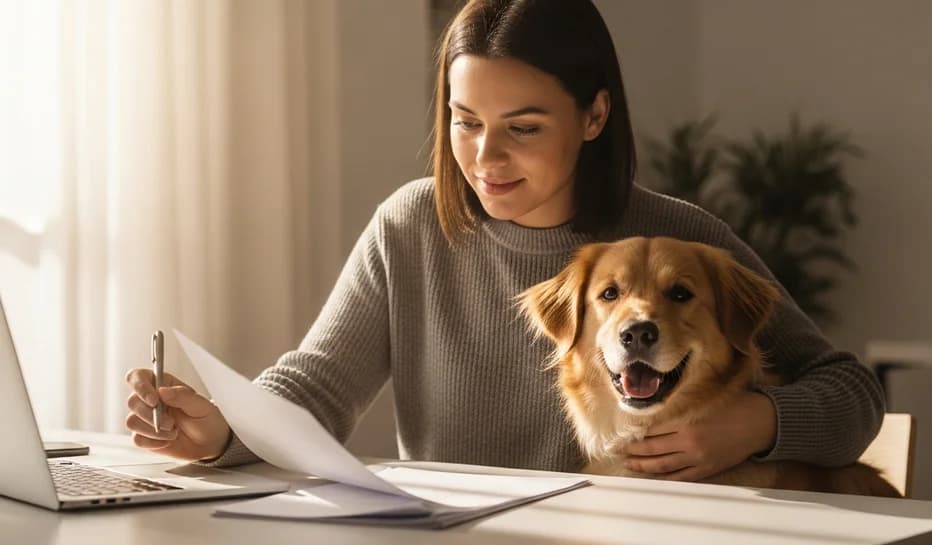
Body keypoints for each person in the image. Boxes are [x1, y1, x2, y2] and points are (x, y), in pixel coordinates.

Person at [123, 0, 884, 482]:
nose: (486, 158)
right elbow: (315, 388)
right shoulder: (411, 225)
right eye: (465, 122)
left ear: (594, 117)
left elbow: (851, 391)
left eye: (522, 129)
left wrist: (756, 426)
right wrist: (225, 428)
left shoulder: (676, 242)